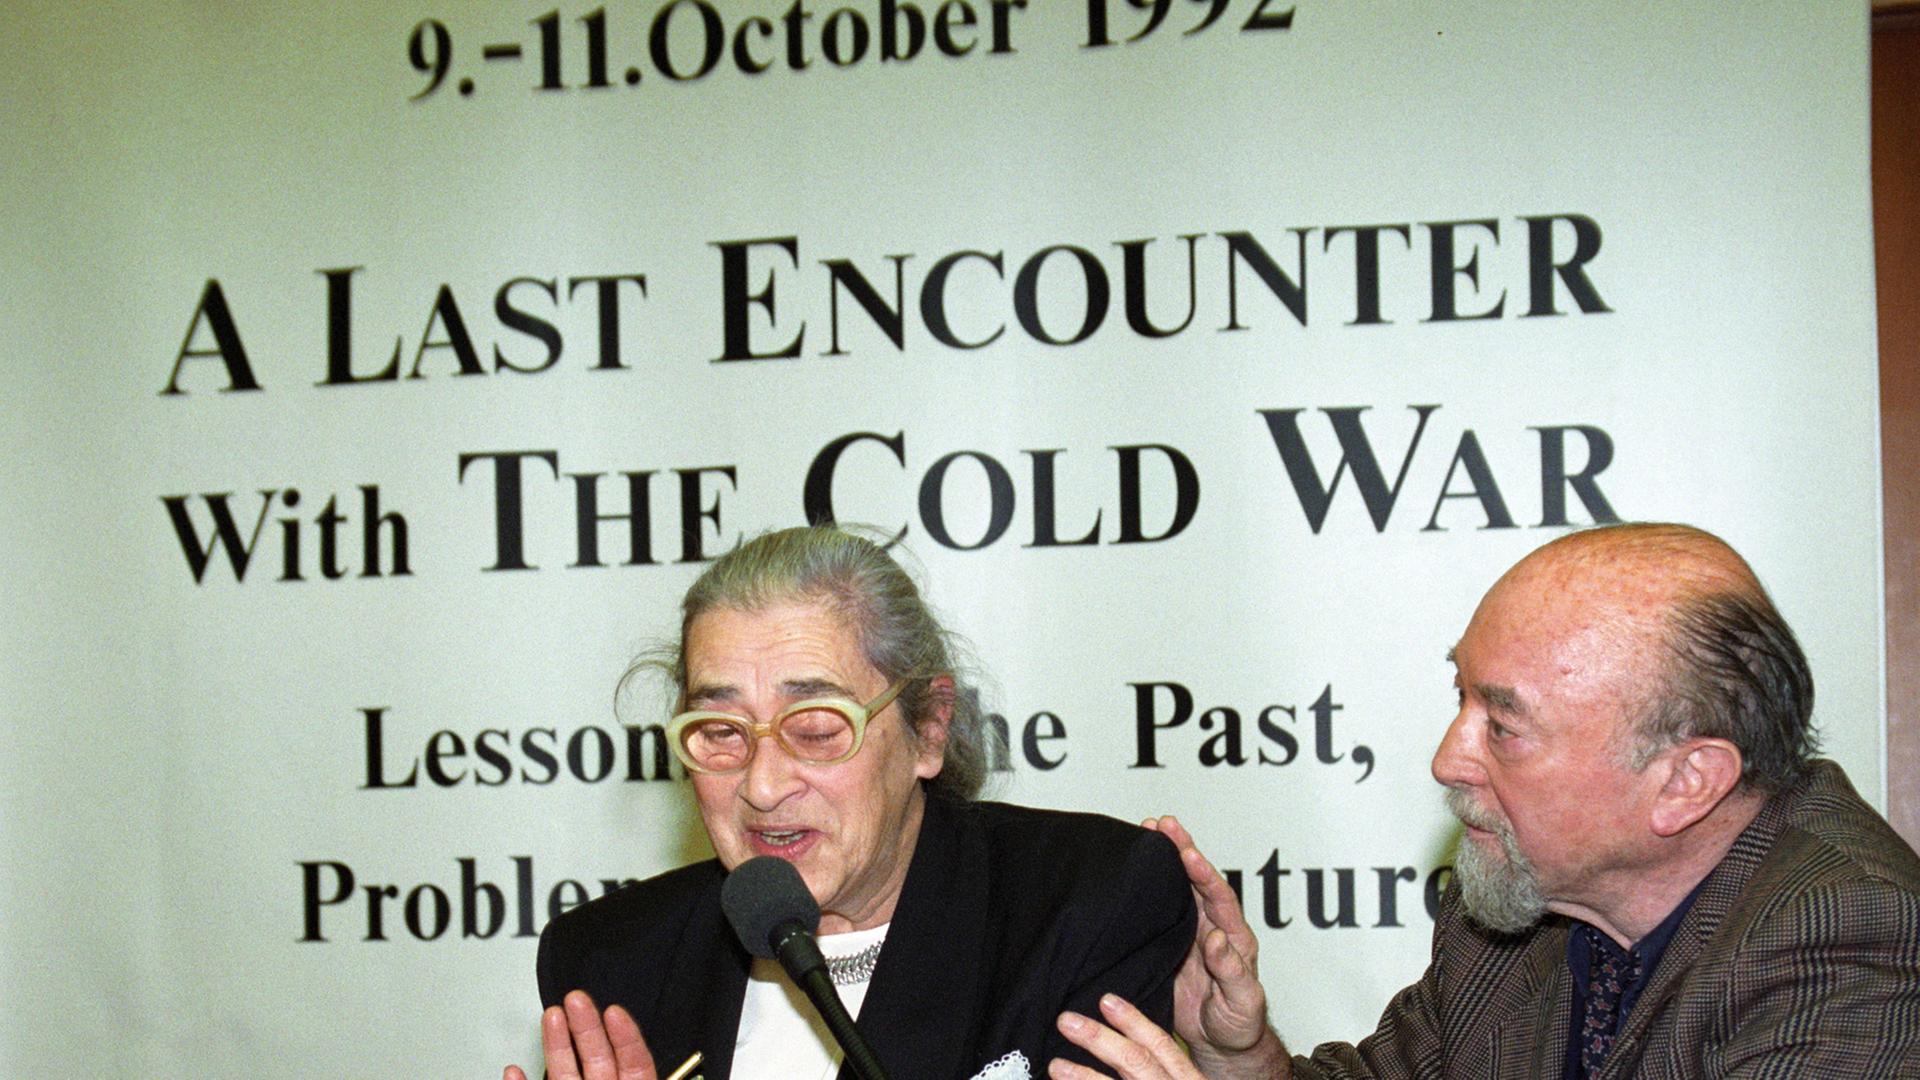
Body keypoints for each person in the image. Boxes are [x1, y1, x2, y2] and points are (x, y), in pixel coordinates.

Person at [1049, 523, 1920, 1080]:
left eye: (1503, 725)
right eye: (1458, 696)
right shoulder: (1516, 909)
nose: (1446, 760)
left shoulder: (1848, 936)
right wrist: (1239, 1056)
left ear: (1686, 781)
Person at [503, 526, 1195, 1080]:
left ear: (927, 729)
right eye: (720, 733)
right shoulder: (610, 960)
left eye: (815, 729)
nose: (764, 786)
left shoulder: (1091, 902)